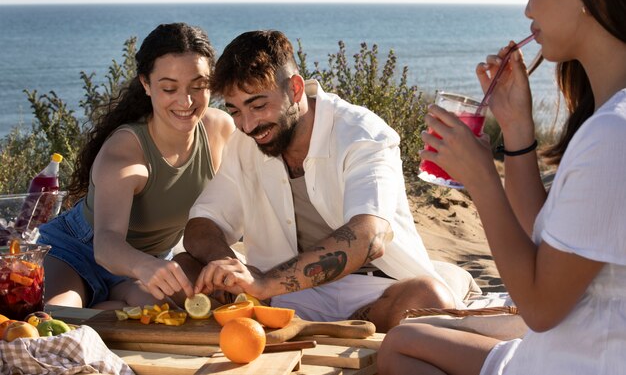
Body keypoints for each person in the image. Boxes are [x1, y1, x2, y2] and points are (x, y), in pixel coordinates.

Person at [377, 0, 626, 373]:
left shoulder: (611, 134)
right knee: (407, 337)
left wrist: (482, 179)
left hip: (583, 358)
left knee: (401, 347)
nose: (528, 9)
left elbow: (540, 309)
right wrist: (516, 128)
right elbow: (541, 235)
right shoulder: (608, 121)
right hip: (581, 338)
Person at [174, 29, 461, 333]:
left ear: (295, 90)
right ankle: (314, 328)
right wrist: (231, 268)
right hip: (280, 296)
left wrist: (262, 282)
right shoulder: (244, 142)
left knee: (430, 298)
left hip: (375, 291)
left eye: (258, 106)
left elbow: (369, 238)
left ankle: (321, 328)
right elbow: (201, 224)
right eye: (235, 111)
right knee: (183, 268)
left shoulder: (363, 134)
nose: (247, 125)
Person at [38, 23, 235, 309]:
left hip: (143, 267)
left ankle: (106, 306)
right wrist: (146, 267)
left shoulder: (219, 130)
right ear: (146, 84)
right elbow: (106, 245)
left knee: (156, 316)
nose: (186, 101)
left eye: (199, 85)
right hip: (76, 250)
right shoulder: (124, 151)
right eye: (169, 88)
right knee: (59, 318)